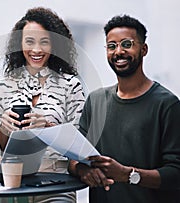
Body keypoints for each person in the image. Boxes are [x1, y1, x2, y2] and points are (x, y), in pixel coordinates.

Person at [68, 14, 180, 203]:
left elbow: (176, 173)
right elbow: (74, 158)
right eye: (111, 46)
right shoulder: (95, 101)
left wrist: (127, 174)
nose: (118, 52)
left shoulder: (167, 104)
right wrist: (83, 170)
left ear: (144, 49)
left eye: (127, 44)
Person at [0, 7, 85, 202]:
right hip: (12, 185)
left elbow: (80, 147)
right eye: (29, 41)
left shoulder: (70, 86)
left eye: (45, 42)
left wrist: (49, 128)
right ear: (19, 43)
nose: (37, 50)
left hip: (57, 184)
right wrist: (3, 131)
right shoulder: (0, 87)